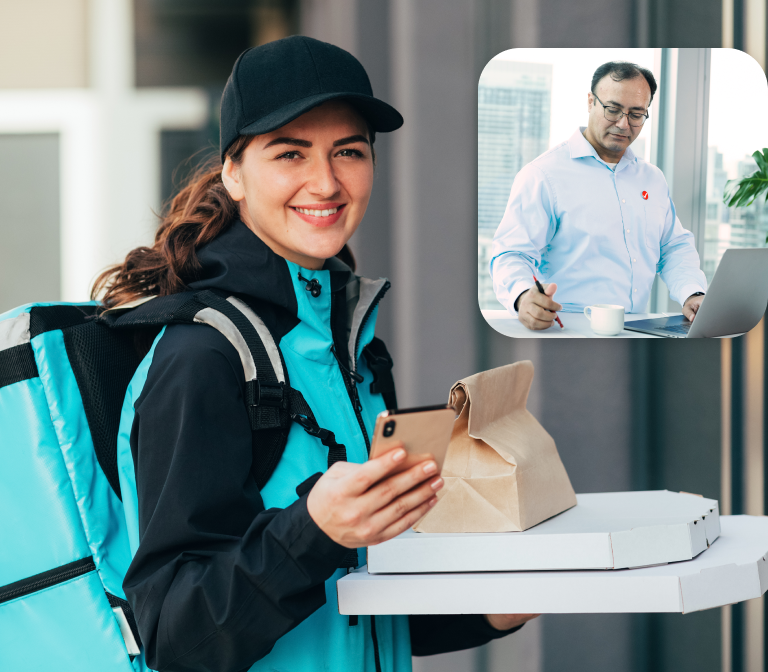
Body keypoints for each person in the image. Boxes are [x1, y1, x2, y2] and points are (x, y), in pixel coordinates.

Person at [94, 36, 536, 672]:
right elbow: (176, 638)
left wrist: (492, 608)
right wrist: (315, 530)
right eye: (289, 153)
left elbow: (350, 606)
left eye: (348, 151)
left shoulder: (349, 341)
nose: (326, 182)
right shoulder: (201, 357)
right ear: (233, 174)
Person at [490, 61, 708, 331]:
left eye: (636, 114)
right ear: (591, 101)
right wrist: (523, 296)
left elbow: (673, 247)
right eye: (613, 109)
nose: (623, 124)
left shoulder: (652, 179)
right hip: (565, 328)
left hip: (635, 330)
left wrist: (692, 293)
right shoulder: (543, 175)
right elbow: (511, 253)